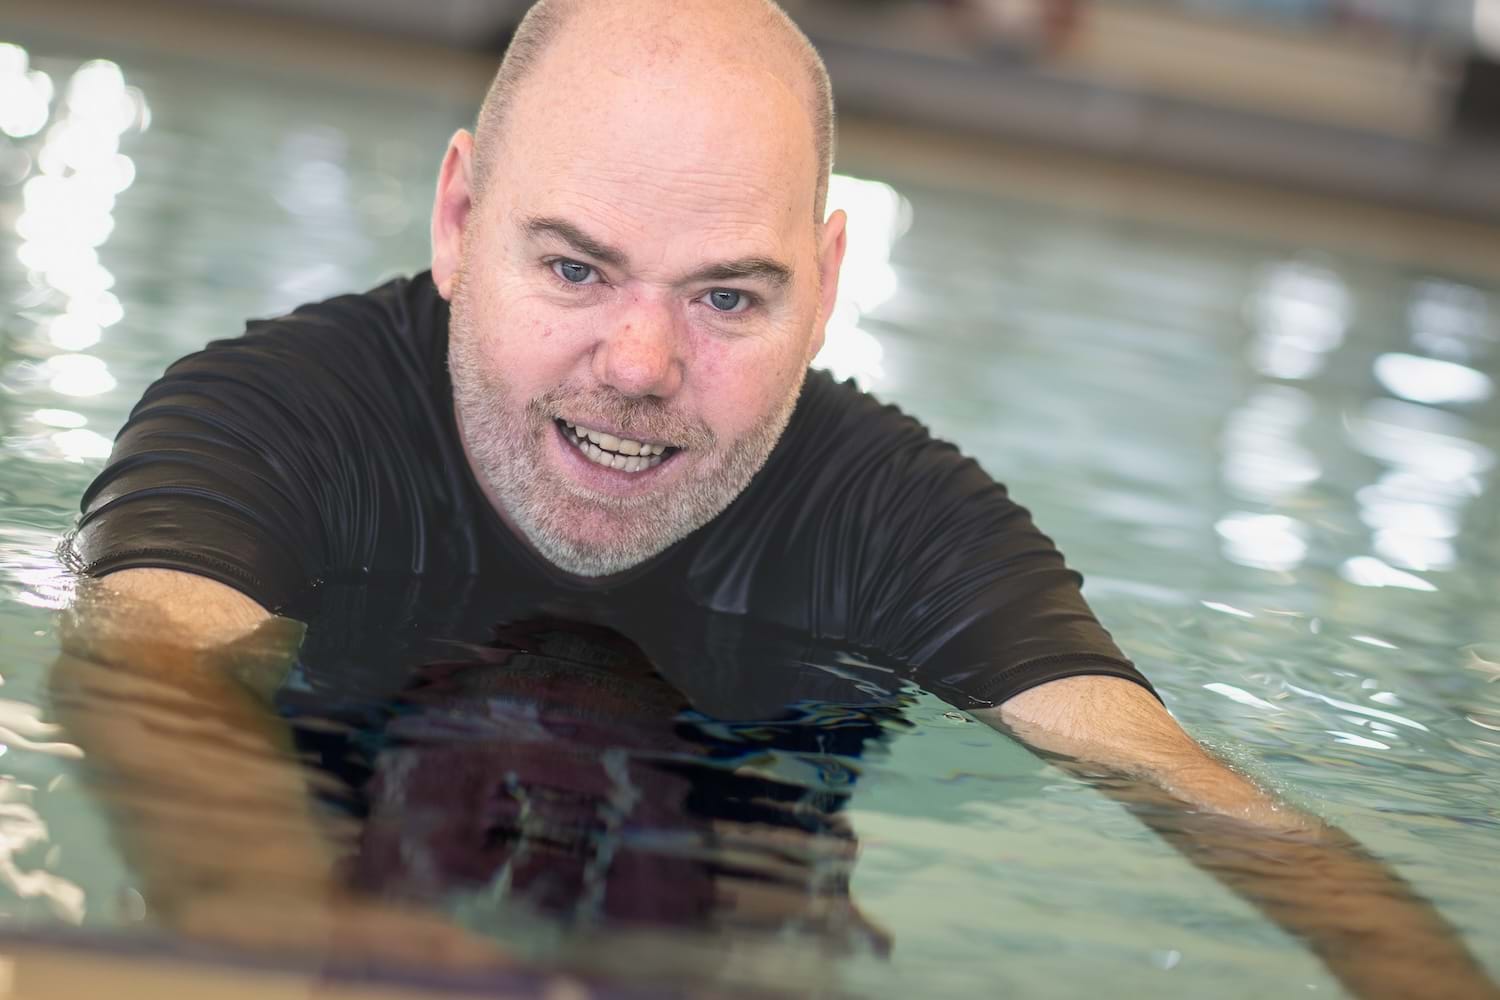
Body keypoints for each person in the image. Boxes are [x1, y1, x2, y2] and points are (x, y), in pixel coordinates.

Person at [56, 0, 1499, 996]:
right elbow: (145, 661)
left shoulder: (893, 516)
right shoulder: (279, 415)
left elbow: (1224, 812)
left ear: (825, 286)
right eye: (573, 268)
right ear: (458, 219)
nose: (638, 366)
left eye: (729, 297)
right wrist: (286, 937)